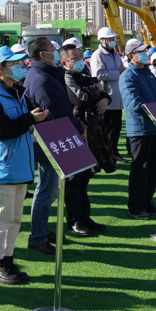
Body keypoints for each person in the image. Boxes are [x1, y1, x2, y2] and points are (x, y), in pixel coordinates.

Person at [0, 46, 48, 284]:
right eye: (15, 64)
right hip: (3, 168)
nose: (21, 67)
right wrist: (30, 119)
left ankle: (7, 259)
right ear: (0, 68)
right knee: (2, 219)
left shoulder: (16, 92)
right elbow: (0, 131)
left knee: (15, 219)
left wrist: (31, 119)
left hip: (18, 167)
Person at [23, 35, 74, 254]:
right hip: (48, 139)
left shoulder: (44, 74)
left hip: (52, 137)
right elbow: (54, 111)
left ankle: (41, 229)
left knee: (49, 190)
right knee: (45, 190)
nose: (56, 51)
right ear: (43, 54)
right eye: (52, 49)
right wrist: (76, 128)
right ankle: (37, 237)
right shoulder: (40, 78)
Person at [58, 38, 108, 235]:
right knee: (73, 179)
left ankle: (85, 217)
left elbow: (102, 91)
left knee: (85, 177)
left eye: (79, 56)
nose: (79, 60)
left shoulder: (83, 73)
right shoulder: (66, 77)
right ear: (64, 62)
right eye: (74, 58)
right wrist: (97, 91)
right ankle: (74, 220)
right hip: (74, 130)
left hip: (88, 131)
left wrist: (104, 98)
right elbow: (81, 98)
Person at [118, 43, 156, 221]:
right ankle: (136, 207)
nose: (145, 54)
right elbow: (134, 103)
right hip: (140, 129)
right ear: (131, 56)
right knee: (141, 170)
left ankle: (147, 202)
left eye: (145, 51)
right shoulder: (127, 76)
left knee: (152, 170)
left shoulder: (148, 73)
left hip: (154, 127)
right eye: (140, 52)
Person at [90, 27, 126, 161]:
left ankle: (114, 152)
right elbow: (98, 75)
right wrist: (118, 72)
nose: (113, 40)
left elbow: (121, 70)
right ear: (103, 40)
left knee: (116, 127)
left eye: (113, 38)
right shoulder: (97, 55)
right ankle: (107, 154)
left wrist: (121, 71)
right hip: (105, 98)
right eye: (110, 38)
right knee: (106, 128)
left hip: (117, 97)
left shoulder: (116, 54)